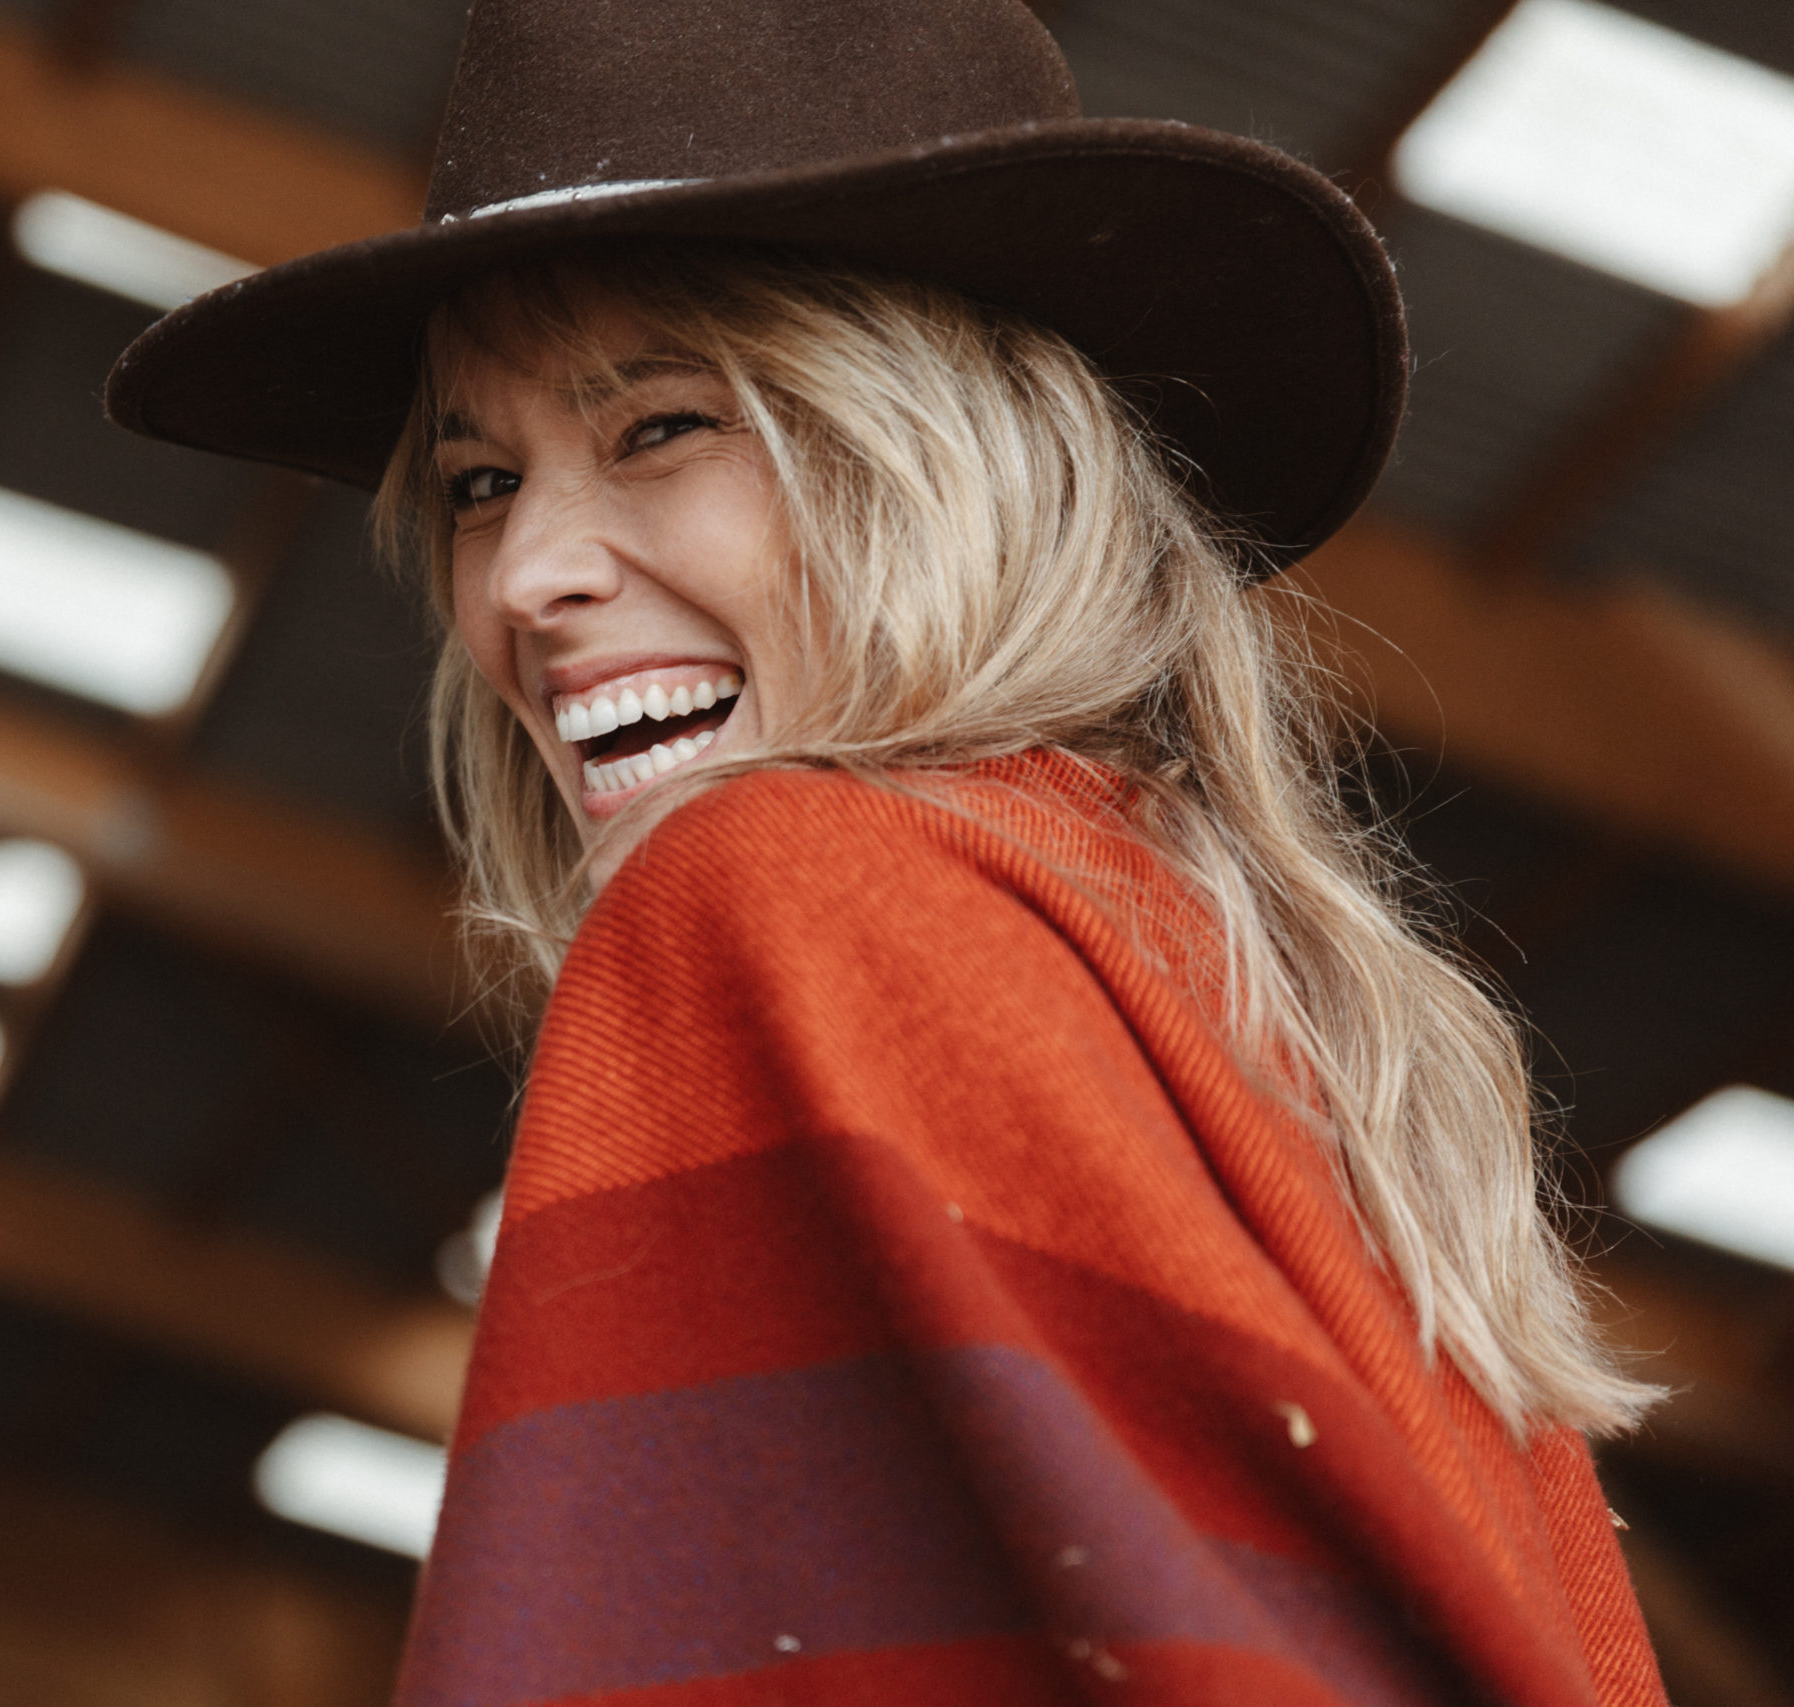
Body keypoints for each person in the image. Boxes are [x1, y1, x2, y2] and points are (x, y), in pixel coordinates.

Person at [108, 1, 1669, 1703]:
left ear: (957, 460)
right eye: (481, 481)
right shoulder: (1300, 1028)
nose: (524, 578)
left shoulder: (765, 888)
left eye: (661, 428)